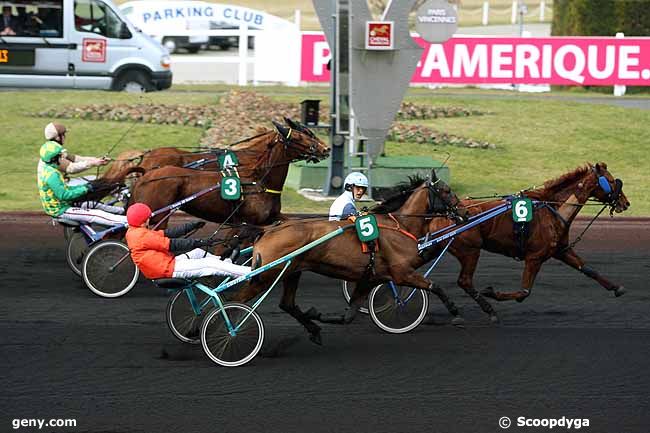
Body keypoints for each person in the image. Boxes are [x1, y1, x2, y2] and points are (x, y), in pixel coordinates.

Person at [125, 203, 251, 280]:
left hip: (165, 264)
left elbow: (167, 234)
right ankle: (249, 273)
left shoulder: (135, 231)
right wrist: (201, 241)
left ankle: (228, 264)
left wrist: (190, 226)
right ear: (143, 220)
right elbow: (173, 244)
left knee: (198, 253)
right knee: (210, 264)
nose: (149, 220)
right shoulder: (142, 236)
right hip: (167, 270)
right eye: (148, 218)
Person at [37, 134, 127, 226]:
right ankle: (128, 221)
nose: (62, 158)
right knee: (95, 214)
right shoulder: (52, 175)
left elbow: (66, 190)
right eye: (60, 156)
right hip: (61, 210)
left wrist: (85, 187)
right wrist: (86, 188)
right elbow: (65, 195)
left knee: (92, 204)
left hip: (61, 205)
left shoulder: (48, 169)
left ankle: (123, 211)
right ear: (54, 158)